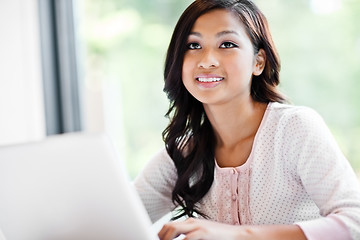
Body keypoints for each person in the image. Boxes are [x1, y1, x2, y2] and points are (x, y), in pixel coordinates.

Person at [134, 0, 360, 239]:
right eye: (193, 45)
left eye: (227, 44)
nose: (207, 60)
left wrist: (239, 235)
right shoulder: (183, 154)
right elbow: (113, 218)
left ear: (258, 62)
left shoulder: (294, 129)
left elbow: (354, 222)